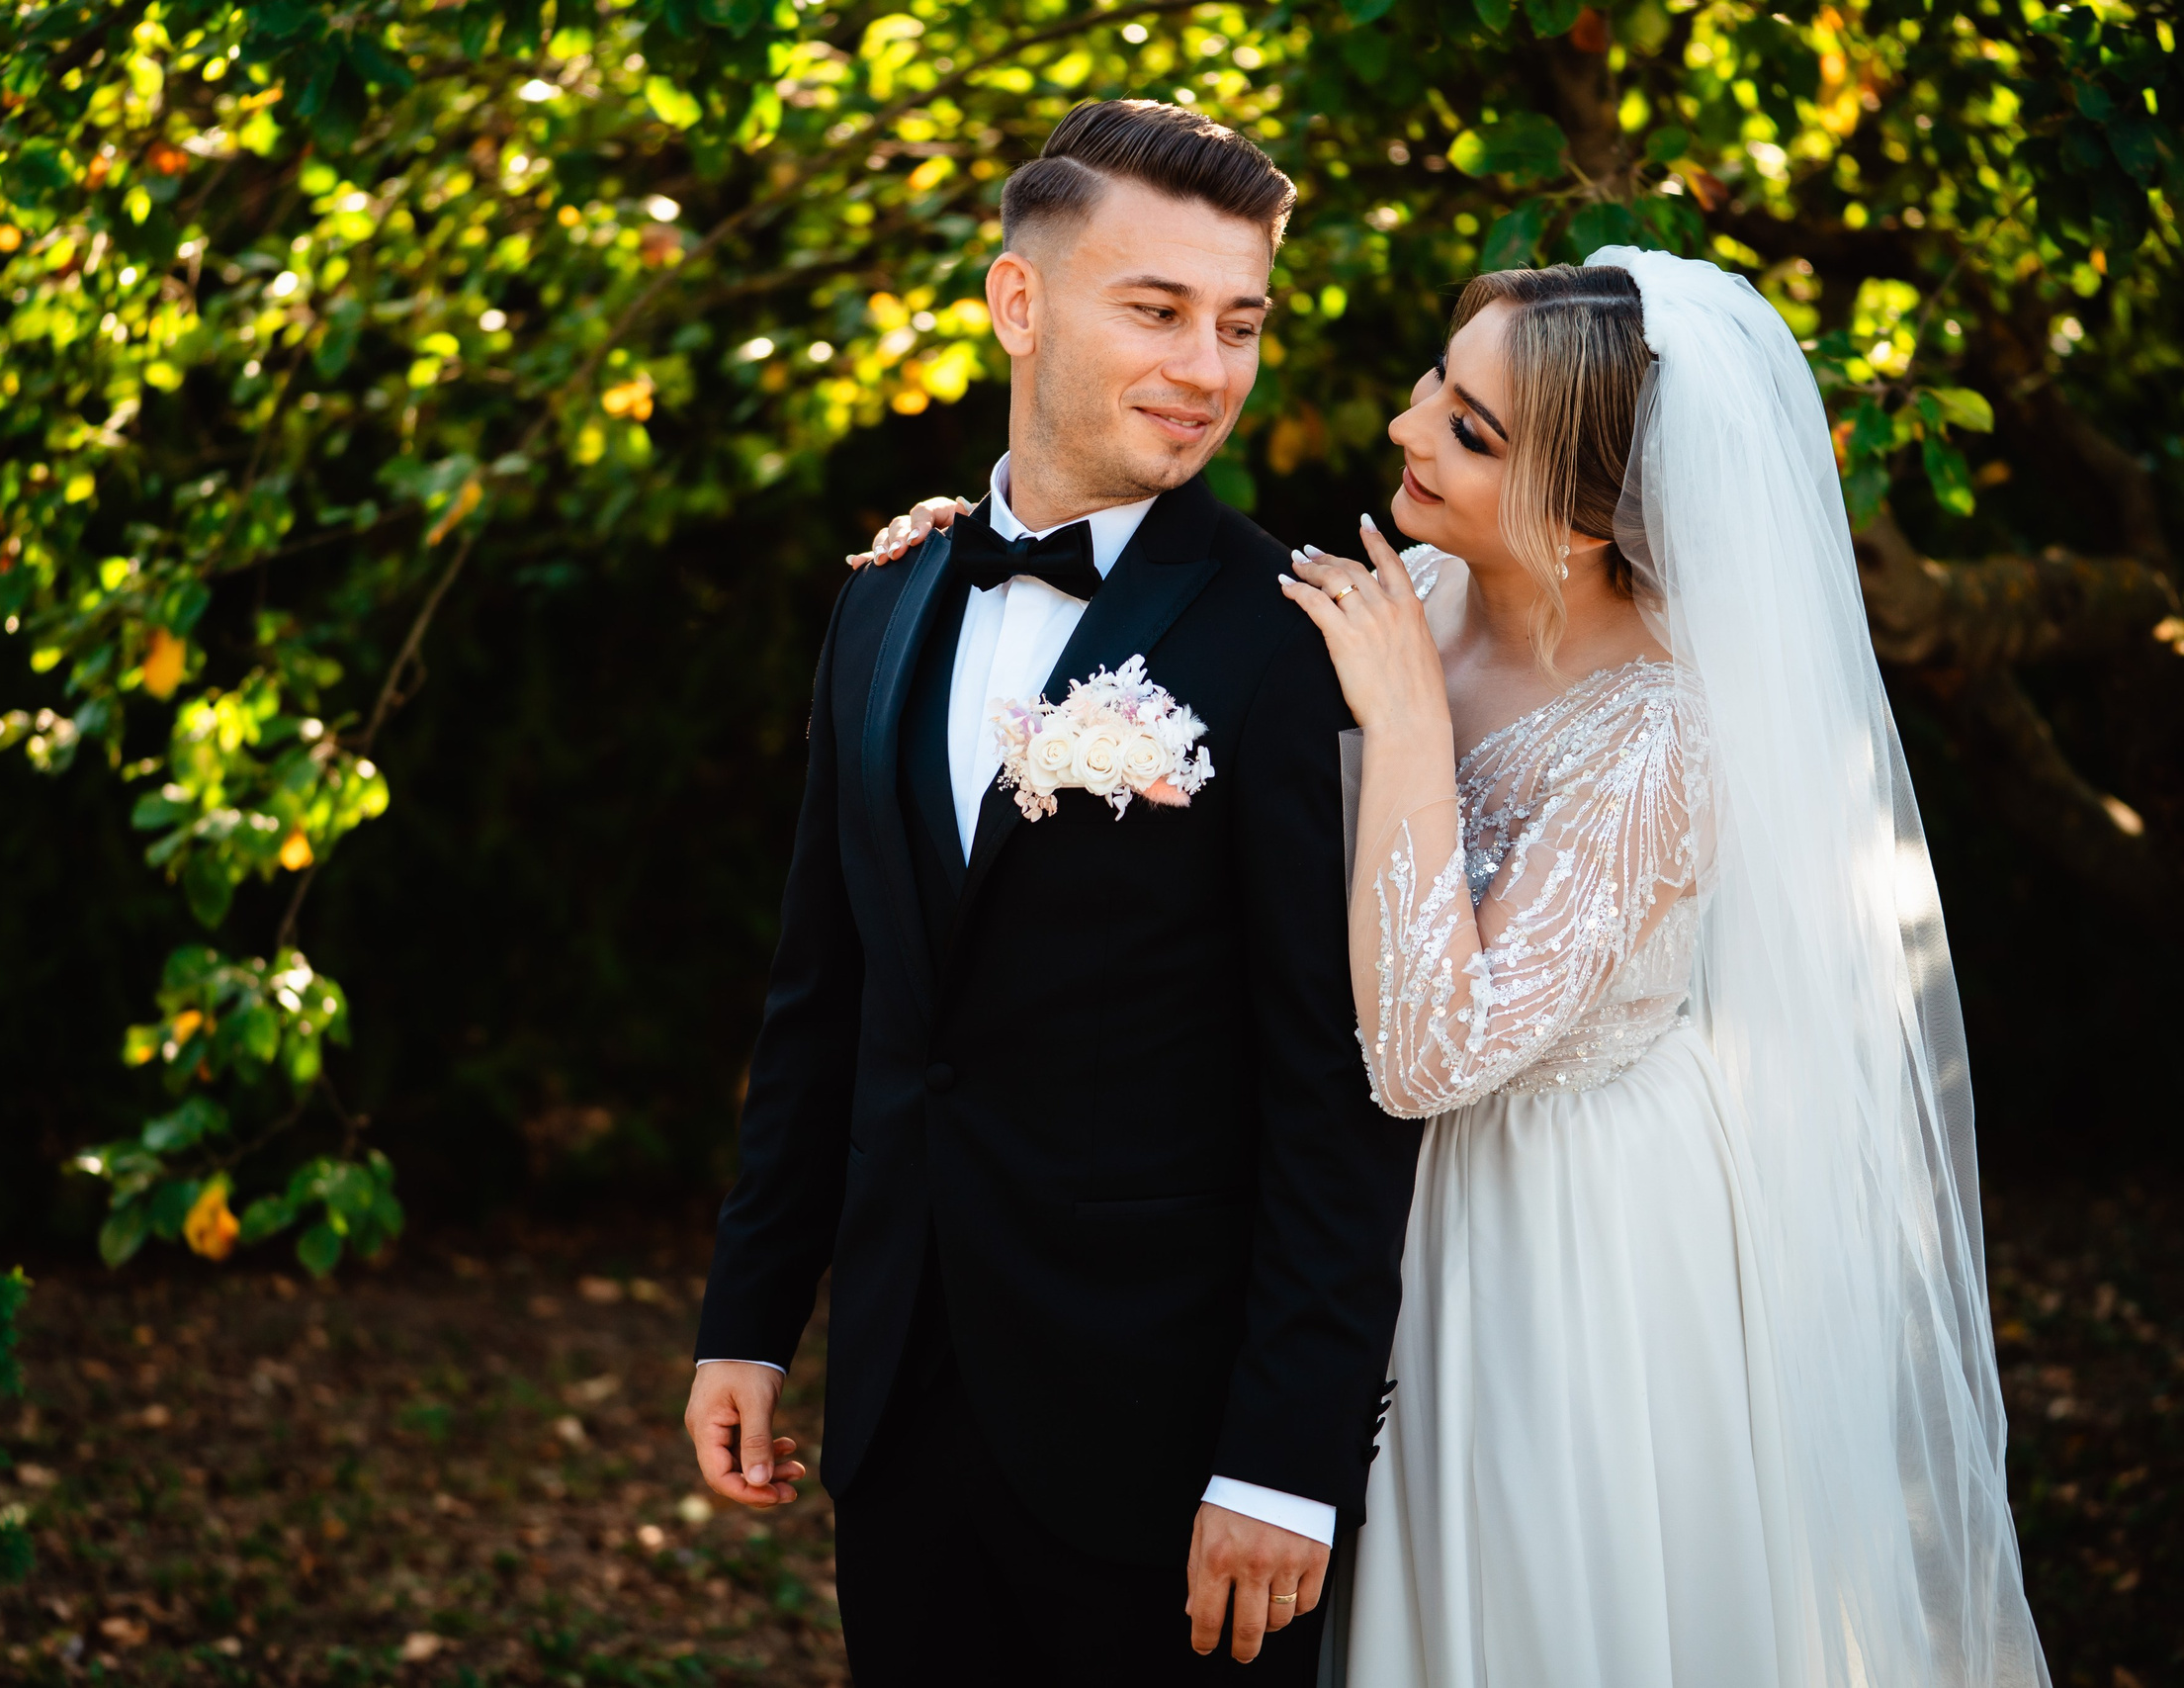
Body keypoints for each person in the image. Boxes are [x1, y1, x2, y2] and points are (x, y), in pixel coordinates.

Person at [857, 249, 2050, 1686]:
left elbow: (1431, 1050)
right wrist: (981, 539)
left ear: (1597, 514)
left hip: (1564, 1250)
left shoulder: (1665, 742)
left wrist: (1413, 729)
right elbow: (1168, 613)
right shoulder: (1403, 591)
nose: (1410, 430)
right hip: (1358, 1216)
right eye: (1438, 383)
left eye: (1472, 433)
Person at [681, 100, 1424, 1687]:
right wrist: (751, 1318)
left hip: (1167, 1444)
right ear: (1020, 304)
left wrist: (1285, 1461)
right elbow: (829, 997)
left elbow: (1341, 1084)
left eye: (1240, 323)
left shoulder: (1294, 640)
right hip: (896, 1412)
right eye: (1155, 310)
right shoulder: (882, 604)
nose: (1206, 367)